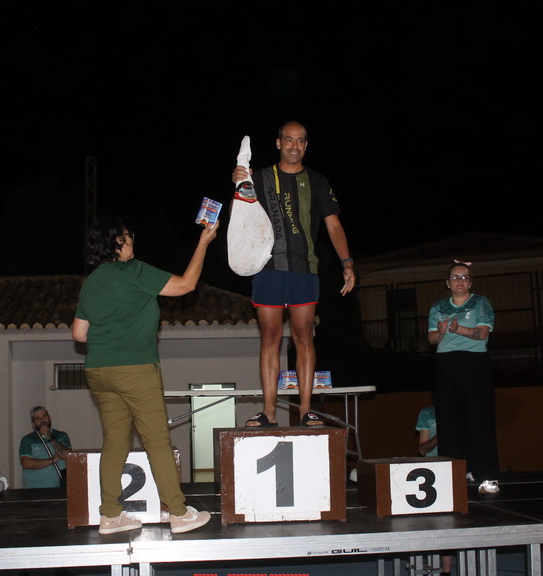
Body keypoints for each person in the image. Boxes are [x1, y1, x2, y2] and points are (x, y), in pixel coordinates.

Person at [71, 220, 217, 535]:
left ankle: (110, 516)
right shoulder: (134, 271)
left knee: (114, 441)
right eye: (128, 236)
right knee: (157, 441)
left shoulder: (91, 282)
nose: (132, 240)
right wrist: (203, 242)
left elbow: (79, 334)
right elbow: (186, 285)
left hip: (99, 371)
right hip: (135, 369)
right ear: (117, 241)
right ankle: (179, 513)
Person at [231, 121, 356, 429]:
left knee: (303, 337)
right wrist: (239, 181)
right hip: (268, 270)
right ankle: (268, 412)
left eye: (300, 141)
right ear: (278, 143)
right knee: (270, 338)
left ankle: (306, 410)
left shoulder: (317, 181)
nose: (294, 146)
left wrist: (347, 262)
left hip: (305, 270)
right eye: (289, 140)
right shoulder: (260, 177)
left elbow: (334, 225)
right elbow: (243, 214)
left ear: (306, 145)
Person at [427, 261, 500, 494]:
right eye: (455, 277)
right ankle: (454, 474)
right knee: (448, 420)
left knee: (479, 419)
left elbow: (482, 334)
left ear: (470, 282)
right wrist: (440, 332)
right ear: (447, 283)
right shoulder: (438, 306)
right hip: (445, 364)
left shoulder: (480, 302)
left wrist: (459, 330)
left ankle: (487, 476)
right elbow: (431, 339)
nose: (459, 281)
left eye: (464, 277)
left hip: (474, 364)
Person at [17, 405, 76, 576]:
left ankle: (60, 568)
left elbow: (69, 456)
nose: (42, 419)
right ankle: (24, 571)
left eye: (44, 416)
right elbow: (27, 463)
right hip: (34, 492)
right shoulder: (27, 440)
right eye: (37, 418)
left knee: (59, 531)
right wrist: (51, 460)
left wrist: (50, 438)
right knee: (32, 533)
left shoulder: (61, 436)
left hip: (58, 490)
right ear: (33, 423)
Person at [414, 405, 457, 576]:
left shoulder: (460, 411)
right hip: (432, 474)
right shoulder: (427, 413)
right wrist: (441, 436)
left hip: (453, 471)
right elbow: (422, 449)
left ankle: (446, 575)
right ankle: (428, 572)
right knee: (429, 525)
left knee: (450, 524)